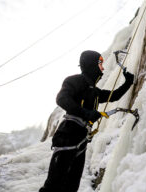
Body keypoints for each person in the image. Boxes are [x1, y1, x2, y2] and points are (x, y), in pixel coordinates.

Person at [39, 50, 134, 192]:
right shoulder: (74, 81)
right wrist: (86, 113)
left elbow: (112, 96)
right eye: (100, 64)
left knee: (71, 186)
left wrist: (128, 82)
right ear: (91, 65)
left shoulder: (94, 91)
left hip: (81, 139)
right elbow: (62, 98)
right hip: (67, 135)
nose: (103, 68)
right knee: (54, 185)